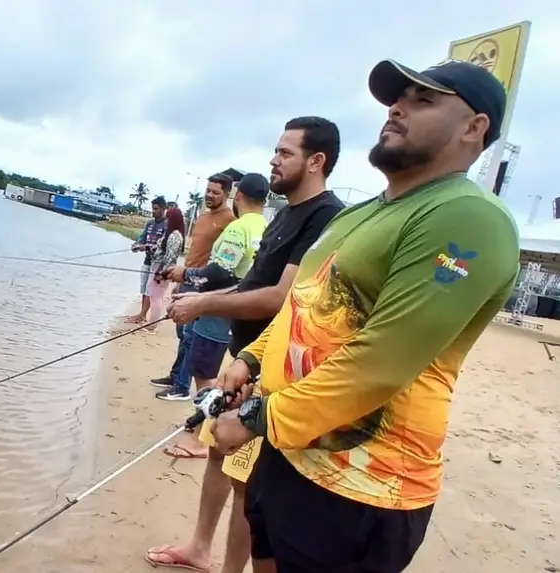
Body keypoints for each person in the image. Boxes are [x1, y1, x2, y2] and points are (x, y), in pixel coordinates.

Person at [211, 59, 520, 573]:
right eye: (397, 98)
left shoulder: (469, 218)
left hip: (360, 483)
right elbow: (303, 304)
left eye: (424, 100)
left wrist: (255, 418)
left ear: (474, 127)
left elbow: (381, 360)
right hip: (287, 448)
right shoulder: (358, 214)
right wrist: (250, 357)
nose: (397, 107)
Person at [145, 117, 344, 573]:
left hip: (274, 370)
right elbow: (253, 281)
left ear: (317, 161)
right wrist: (204, 297)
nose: (273, 160)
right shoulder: (285, 214)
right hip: (247, 359)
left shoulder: (325, 216)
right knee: (218, 449)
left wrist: (202, 304)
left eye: (285, 152)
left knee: (245, 481)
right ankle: (199, 547)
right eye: (275, 150)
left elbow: (283, 297)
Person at [156, 173, 270, 405]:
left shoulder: (239, 227)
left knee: (204, 374)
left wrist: (185, 274)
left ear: (236, 196)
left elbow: (220, 273)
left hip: (218, 308)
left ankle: (199, 432)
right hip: (245, 309)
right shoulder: (267, 227)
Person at [149, 174, 235, 389]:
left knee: (189, 336)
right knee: (181, 332)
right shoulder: (203, 217)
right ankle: (176, 374)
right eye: (208, 190)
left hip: (202, 283)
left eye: (216, 192)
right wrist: (180, 279)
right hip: (186, 277)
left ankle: (181, 386)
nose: (210, 195)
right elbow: (194, 250)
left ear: (227, 195)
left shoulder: (230, 220)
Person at [144, 207, 186, 333]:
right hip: (159, 268)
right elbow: (159, 249)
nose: (166, 221)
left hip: (164, 271)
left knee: (156, 297)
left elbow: (170, 257)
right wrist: (144, 247)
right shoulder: (170, 233)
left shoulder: (175, 236)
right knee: (154, 295)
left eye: (169, 218)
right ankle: (151, 323)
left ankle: (152, 326)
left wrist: (161, 274)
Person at [126, 196, 167, 324]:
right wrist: (136, 245)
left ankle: (143, 315)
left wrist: (145, 247)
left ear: (163, 209)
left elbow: (163, 246)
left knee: (150, 289)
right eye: (152, 208)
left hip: (158, 263)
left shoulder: (167, 225)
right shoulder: (150, 223)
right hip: (147, 260)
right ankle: (142, 314)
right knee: (143, 288)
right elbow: (142, 238)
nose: (153, 211)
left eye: (156, 209)